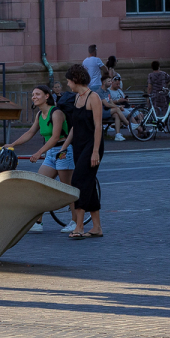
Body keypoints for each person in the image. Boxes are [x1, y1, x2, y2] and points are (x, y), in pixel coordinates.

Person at [3, 85, 73, 233]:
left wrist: (38, 152)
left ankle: (74, 221)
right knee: (39, 186)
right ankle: (38, 222)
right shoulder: (39, 115)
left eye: (37, 94)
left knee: (68, 189)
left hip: (63, 150)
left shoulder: (56, 113)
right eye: (32, 94)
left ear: (47, 96)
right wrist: (13, 144)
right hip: (50, 153)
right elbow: (30, 132)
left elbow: (55, 137)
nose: (33, 97)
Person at [62, 63, 104, 238]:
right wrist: (64, 146)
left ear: (75, 80)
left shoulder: (93, 97)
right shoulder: (76, 98)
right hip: (78, 146)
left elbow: (98, 126)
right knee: (89, 184)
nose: (67, 84)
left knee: (79, 181)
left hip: (92, 146)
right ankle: (97, 227)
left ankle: (79, 226)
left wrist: (95, 152)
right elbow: (75, 127)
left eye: (68, 81)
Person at [101, 75, 129, 141]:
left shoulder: (107, 91)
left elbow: (111, 102)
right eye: (109, 81)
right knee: (117, 109)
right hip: (102, 111)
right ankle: (129, 125)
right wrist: (118, 107)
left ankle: (117, 135)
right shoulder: (100, 92)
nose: (111, 82)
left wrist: (119, 106)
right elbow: (107, 104)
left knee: (116, 115)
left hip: (108, 110)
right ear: (104, 82)